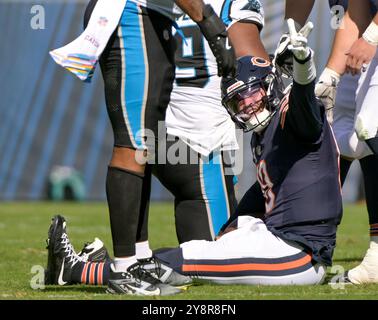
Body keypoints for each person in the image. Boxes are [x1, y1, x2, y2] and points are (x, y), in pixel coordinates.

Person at [45, 20, 343, 287]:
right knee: (184, 254)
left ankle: (76, 271)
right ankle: (88, 267)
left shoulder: (293, 114)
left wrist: (304, 68)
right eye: (238, 100)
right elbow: (261, 192)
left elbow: (305, 103)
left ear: (272, 86)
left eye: (252, 93)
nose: (247, 104)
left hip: (297, 254)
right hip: (273, 236)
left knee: (189, 256)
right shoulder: (263, 137)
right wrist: (231, 228)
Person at [45, 0, 268, 295]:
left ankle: (111, 264)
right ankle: (123, 266)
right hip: (200, 150)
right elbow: (253, 62)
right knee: (219, 261)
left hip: (171, 139)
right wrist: (209, 21)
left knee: (142, 143)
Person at [284, 0, 378, 284]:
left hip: (373, 35)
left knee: (371, 128)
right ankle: (304, 236)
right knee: (342, 136)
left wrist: (371, 36)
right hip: (367, 34)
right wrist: (331, 75)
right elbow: (355, 11)